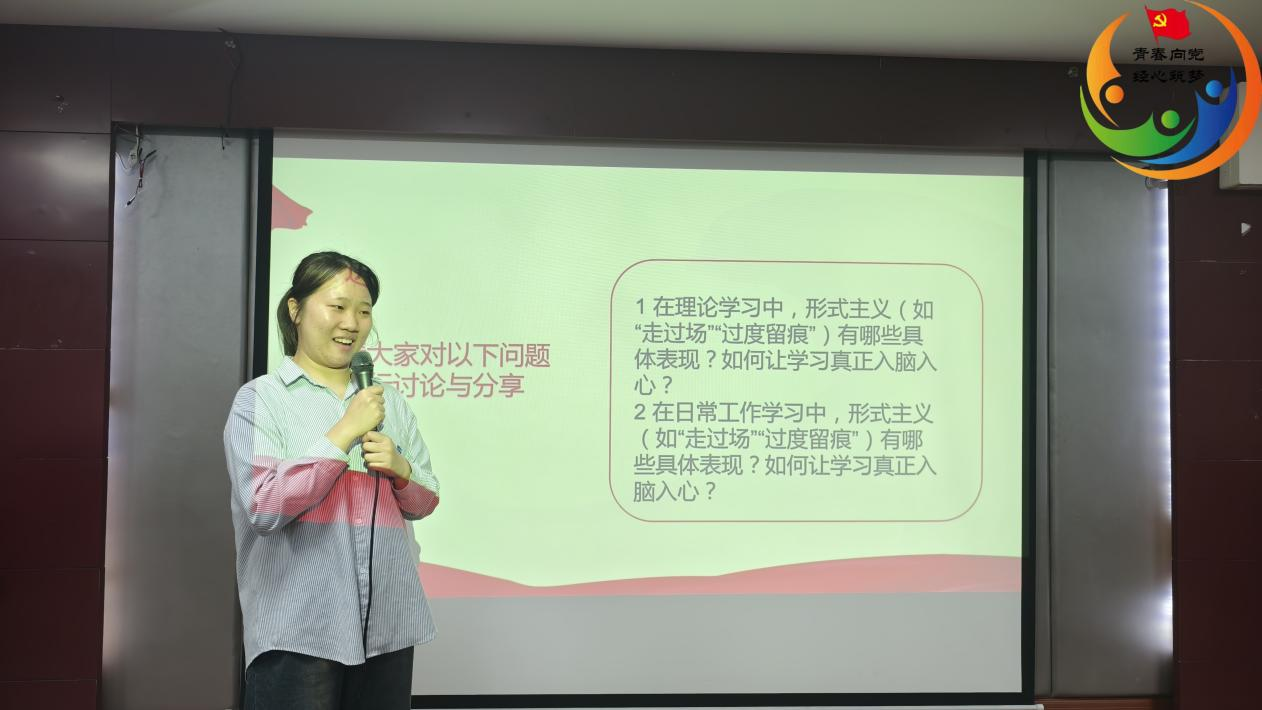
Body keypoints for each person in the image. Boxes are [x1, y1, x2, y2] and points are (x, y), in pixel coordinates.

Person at [224, 251, 440, 710]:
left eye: (364, 311)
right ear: (295, 309)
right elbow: (263, 507)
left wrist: (401, 470)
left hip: (387, 627)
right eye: (337, 307)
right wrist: (343, 433)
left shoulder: (389, 402)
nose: (352, 323)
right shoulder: (261, 400)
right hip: (299, 631)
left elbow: (425, 502)